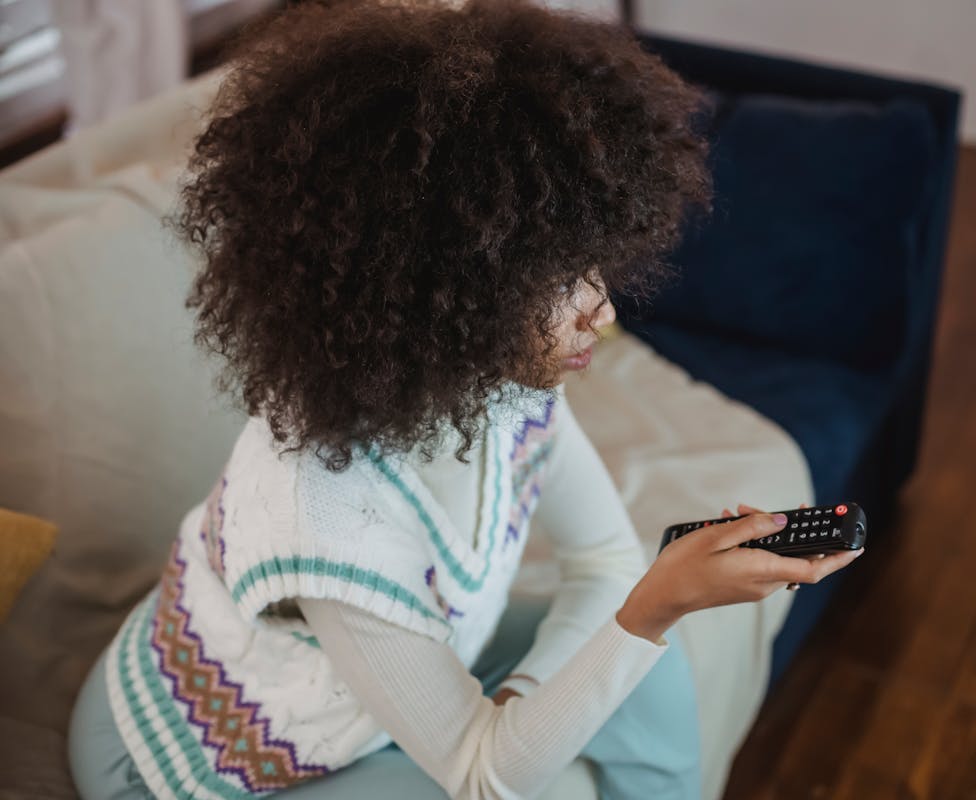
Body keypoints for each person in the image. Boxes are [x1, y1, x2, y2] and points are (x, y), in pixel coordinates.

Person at [65, 1, 863, 798]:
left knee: (645, 677)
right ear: (435, 286)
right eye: (557, 280)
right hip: (185, 758)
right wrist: (648, 614)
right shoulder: (328, 518)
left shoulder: (499, 383)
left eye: (592, 265)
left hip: (375, 688)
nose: (605, 311)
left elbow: (606, 562)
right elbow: (484, 777)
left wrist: (529, 696)